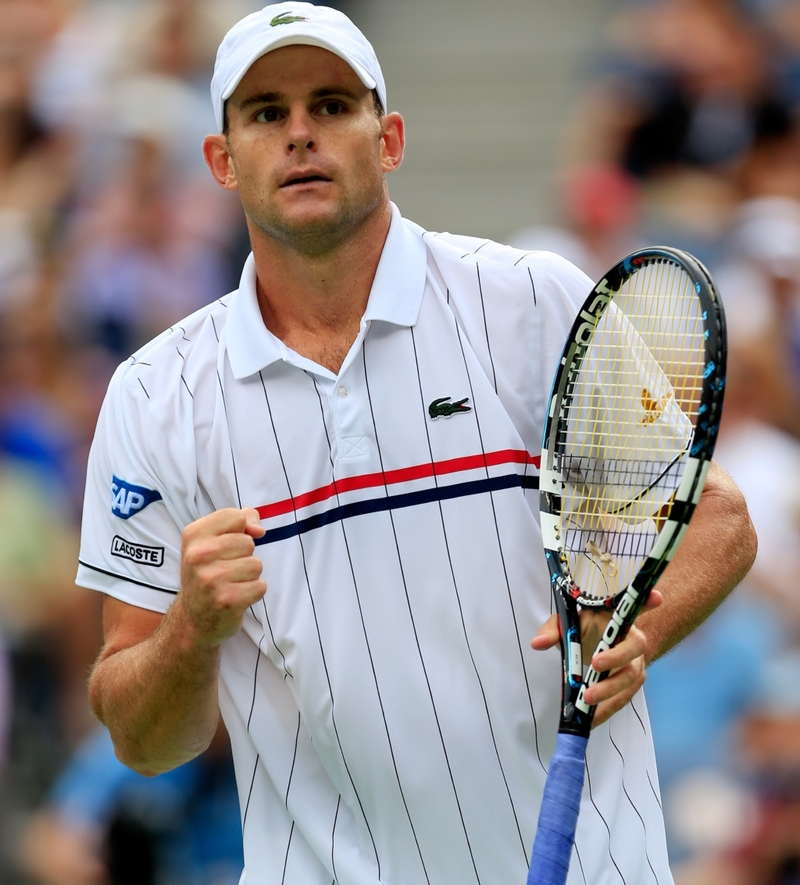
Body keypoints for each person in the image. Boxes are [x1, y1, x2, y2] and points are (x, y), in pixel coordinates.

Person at [77, 4, 757, 884]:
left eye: (330, 105)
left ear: (388, 138)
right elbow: (142, 739)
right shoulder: (153, 394)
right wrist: (190, 630)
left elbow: (722, 521)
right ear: (222, 159)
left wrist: (636, 630)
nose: (300, 135)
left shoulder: (531, 302)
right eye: (265, 113)